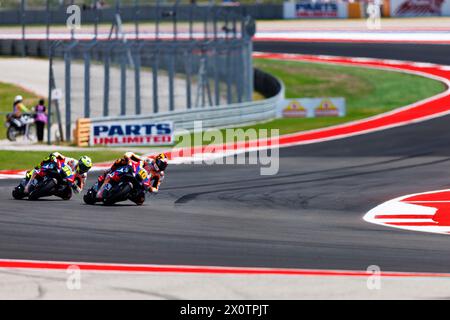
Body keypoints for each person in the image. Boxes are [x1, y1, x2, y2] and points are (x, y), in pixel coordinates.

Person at [24, 152, 93, 199]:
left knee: (68, 195)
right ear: (79, 163)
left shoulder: (83, 176)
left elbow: (79, 191)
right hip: (59, 172)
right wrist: (57, 162)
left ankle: (48, 191)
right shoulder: (72, 162)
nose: (84, 169)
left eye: (86, 168)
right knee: (47, 163)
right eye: (83, 167)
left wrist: (74, 185)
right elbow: (61, 158)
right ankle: (33, 175)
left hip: (65, 181)